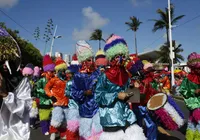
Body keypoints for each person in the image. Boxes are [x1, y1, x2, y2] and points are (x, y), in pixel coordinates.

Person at [95, 35, 146, 140]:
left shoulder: (126, 75)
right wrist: (116, 95)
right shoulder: (104, 76)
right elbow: (98, 96)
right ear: (112, 57)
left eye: (123, 55)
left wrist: (136, 90)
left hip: (127, 116)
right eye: (118, 56)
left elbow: (130, 97)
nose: (121, 59)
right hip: (111, 118)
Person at [71, 40, 102, 140]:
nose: (91, 62)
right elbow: (73, 93)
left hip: (98, 109)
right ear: (83, 61)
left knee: (98, 134)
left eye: (92, 59)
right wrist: (84, 93)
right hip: (85, 111)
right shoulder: (78, 76)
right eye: (88, 60)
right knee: (86, 136)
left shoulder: (97, 73)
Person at [45, 57, 69, 140]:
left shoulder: (67, 80)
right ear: (57, 71)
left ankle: (63, 134)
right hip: (57, 102)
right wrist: (51, 96)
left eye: (64, 70)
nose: (63, 72)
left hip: (66, 103)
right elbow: (46, 88)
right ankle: (53, 133)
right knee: (56, 118)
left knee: (65, 119)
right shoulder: (53, 80)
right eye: (61, 70)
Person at [179, 52, 200, 140]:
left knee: (193, 123)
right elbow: (182, 90)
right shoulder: (188, 79)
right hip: (195, 104)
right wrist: (194, 91)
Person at [35, 55, 55, 135]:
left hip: (52, 101)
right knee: (44, 116)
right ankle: (44, 129)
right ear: (46, 71)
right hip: (43, 101)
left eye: (52, 71)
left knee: (52, 116)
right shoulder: (41, 80)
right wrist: (46, 92)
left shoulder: (54, 79)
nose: (52, 73)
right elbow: (37, 89)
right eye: (50, 71)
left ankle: (50, 128)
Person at [65, 54, 81, 140]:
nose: (68, 75)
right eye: (68, 74)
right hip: (72, 106)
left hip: (81, 106)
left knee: (80, 126)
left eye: (70, 74)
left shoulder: (80, 82)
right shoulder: (68, 83)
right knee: (72, 126)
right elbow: (66, 92)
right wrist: (73, 94)